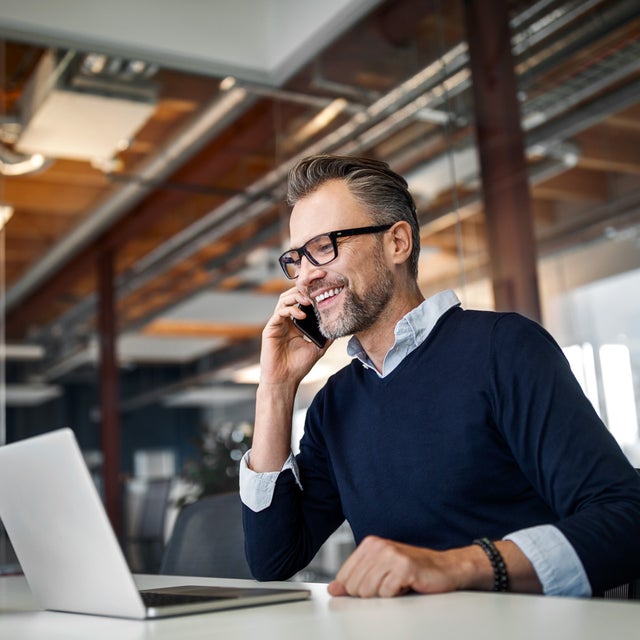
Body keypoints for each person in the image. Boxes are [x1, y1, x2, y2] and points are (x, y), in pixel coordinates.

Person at [239, 154, 640, 598]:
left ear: (397, 243)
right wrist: (275, 388)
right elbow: (272, 559)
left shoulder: (503, 348)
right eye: (297, 258)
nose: (308, 275)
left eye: (325, 245)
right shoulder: (336, 402)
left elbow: (626, 520)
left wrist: (456, 566)